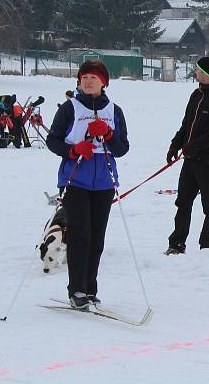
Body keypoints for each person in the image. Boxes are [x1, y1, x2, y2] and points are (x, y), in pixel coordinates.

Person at [46, 60, 129, 309]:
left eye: (94, 77)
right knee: (80, 234)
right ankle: (77, 290)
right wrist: (72, 150)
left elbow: (122, 148)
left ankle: (90, 289)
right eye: (84, 77)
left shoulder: (114, 110)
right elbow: (53, 140)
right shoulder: (70, 108)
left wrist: (109, 135)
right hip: (76, 180)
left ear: (104, 82)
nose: (88, 81)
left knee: (96, 237)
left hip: (103, 182)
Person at [165, 56, 209, 255]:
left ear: (207, 74)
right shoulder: (196, 95)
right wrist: (175, 145)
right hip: (190, 161)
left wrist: (194, 146)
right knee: (183, 203)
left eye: (198, 70)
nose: (195, 73)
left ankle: (207, 246)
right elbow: (186, 124)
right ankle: (176, 243)